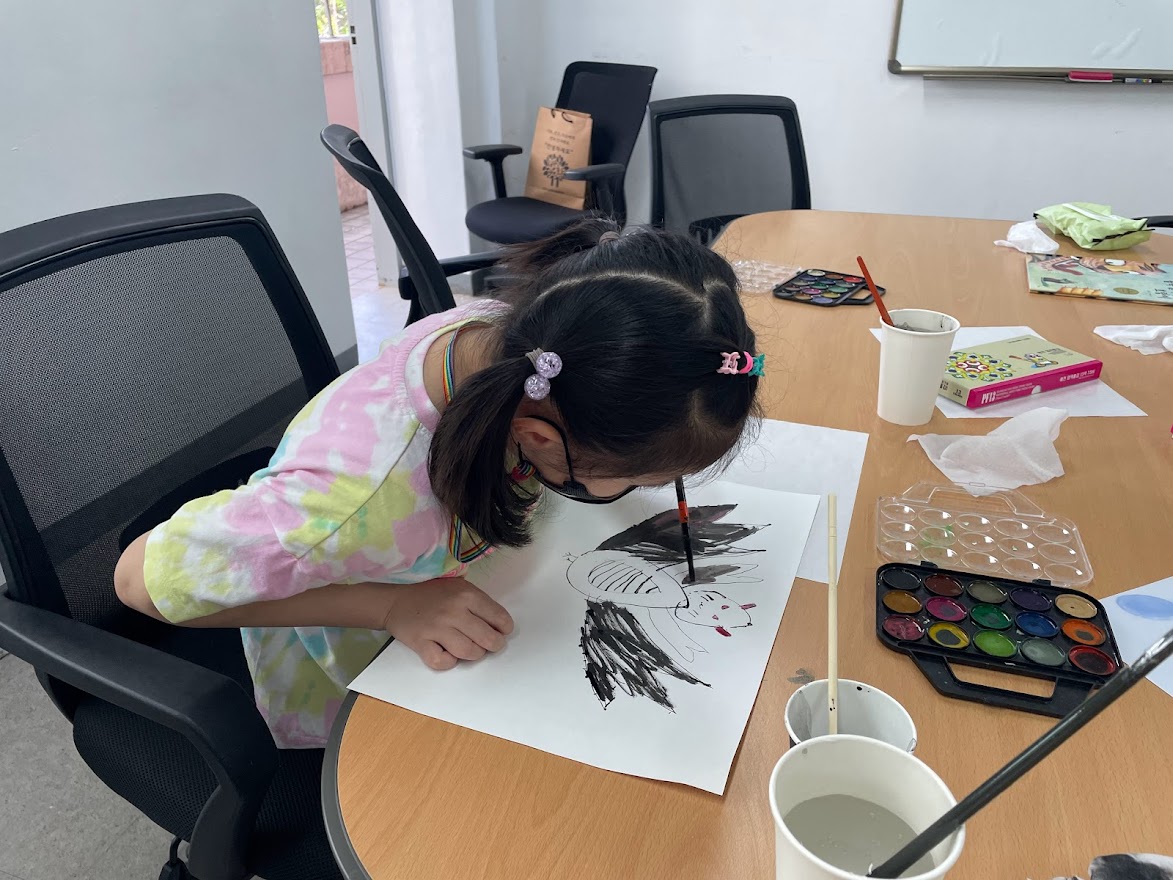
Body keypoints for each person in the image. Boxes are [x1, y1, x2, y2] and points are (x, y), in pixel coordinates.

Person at [113, 217, 763, 748]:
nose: (629, 493)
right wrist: (390, 608)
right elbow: (137, 581)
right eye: (627, 480)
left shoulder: (520, 339)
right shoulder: (352, 500)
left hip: (466, 591)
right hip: (361, 685)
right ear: (539, 438)